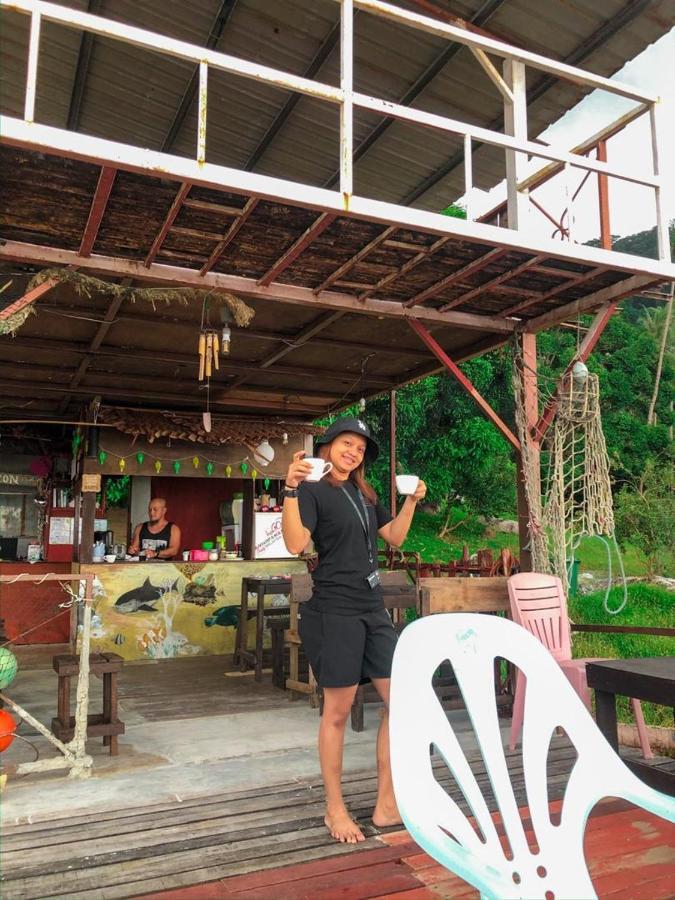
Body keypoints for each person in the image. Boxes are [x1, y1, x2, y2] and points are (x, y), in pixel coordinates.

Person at [281, 416, 426, 844]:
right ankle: (335, 808)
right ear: (328, 447)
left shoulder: (363, 493)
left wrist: (412, 501)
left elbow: (395, 538)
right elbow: (294, 544)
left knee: (401, 702)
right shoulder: (310, 489)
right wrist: (289, 489)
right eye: (347, 443)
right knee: (338, 712)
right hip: (334, 609)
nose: (353, 452)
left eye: (360, 448)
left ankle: (386, 804)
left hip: (371, 606)